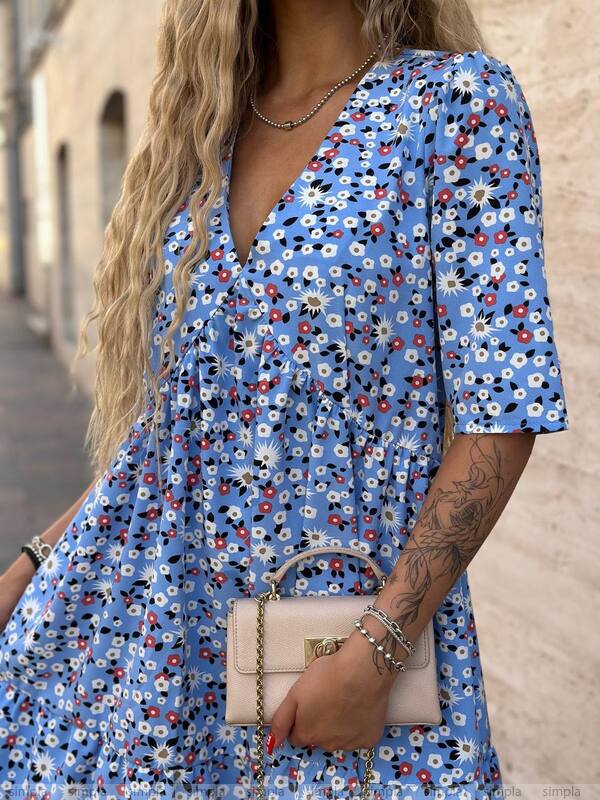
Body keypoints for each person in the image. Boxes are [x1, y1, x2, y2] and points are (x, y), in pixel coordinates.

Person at [0, 0, 569, 797]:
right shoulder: (204, 137)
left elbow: (501, 416)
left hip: (338, 659)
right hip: (171, 658)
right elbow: (176, 438)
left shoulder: (454, 106)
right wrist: (36, 562)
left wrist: (380, 649)